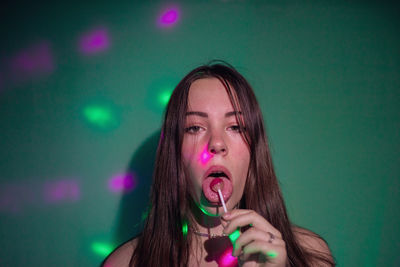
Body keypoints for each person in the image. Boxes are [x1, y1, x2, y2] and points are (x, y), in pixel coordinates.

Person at [102, 61, 335, 267]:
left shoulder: (312, 255)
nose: (216, 144)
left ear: (254, 150)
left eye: (235, 127)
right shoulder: (124, 263)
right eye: (194, 127)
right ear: (175, 154)